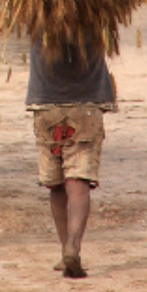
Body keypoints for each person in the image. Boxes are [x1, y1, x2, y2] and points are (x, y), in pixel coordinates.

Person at [25, 36, 116, 278]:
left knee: (56, 185)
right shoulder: (94, 19)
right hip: (86, 108)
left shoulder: (37, 21)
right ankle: (73, 246)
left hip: (46, 107)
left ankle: (64, 247)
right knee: (78, 180)